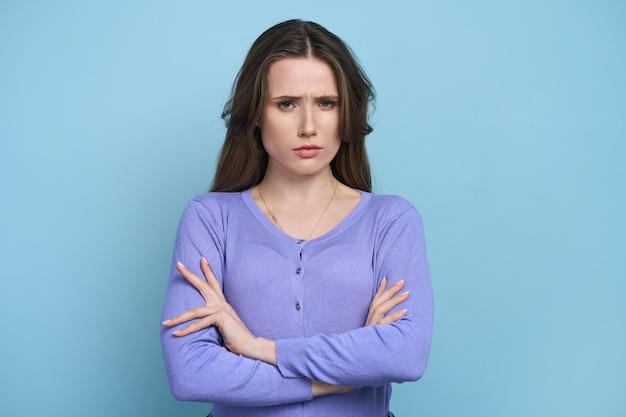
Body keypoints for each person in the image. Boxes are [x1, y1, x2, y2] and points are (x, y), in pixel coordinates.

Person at [160, 19, 433, 417]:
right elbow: (192, 373)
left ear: (347, 113)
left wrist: (260, 349)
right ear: (255, 114)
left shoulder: (391, 221)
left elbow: (405, 356)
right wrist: (351, 370)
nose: (309, 126)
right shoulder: (210, 218)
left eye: (327, 103)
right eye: (286, 103)